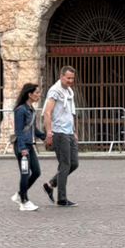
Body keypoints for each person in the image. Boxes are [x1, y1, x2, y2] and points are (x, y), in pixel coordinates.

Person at [40, 65, 79, 207]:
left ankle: (50, 184)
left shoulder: (69, 91)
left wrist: (74, 131)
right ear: (61, 76)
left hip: (68, 132)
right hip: (59, 132)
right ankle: (62, 198)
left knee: (74, 163)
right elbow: (47, 113)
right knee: (65, 164)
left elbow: (70, 113)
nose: (70, 81)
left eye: (72, 78)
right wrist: (49, 132)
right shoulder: (54, 91)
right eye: (68, 78)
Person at [12, 82, 41, 211]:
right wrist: (22, 148)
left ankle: (20, 194)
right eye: (37, 93)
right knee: (25, 173)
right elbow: (18, 131)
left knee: (36, 172)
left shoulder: (31, 110)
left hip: (29, 145)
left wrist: (47, 137)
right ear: (29, 94)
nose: (39, 95)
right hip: (22, 146)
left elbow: (34, 129)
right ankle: (24, 201)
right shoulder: (20, 110)